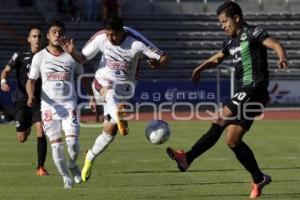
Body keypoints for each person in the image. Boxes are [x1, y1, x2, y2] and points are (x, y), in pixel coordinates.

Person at [166, 1, 288, 199]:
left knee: (221, 118)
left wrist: (281, 57)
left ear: (237, 18)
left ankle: (187, 157)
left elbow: (274, 44)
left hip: (254, 88)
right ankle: (258, 178)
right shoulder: (230, 42)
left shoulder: (253, 32)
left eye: (224, 21)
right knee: (232, 140)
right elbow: (217, 58)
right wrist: (200, 68)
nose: (222, 26)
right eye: (220, 22)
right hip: (246, 91)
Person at [60, 16, 169, 182]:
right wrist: (72, 52)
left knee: (109, 133)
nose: (111, 38)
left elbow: (164, 58)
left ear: (122, 32)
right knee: (109, 92)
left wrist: (158, 64)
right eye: (108, 34)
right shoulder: (101, 38)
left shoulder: (136, 43)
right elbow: (82, 58)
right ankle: (119, 116)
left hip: (124, 91)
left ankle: (90, 156)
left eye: (114, 35)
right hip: (102, 83)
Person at [26, 20, 96, 189]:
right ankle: (66, 177)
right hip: (49, 108)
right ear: (48, 36)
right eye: (54, 32)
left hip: (69, 105)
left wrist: (92, 96)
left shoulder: (72, 56)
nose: (57, 35)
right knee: (56, 147)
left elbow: (82, 77)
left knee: (72, 145)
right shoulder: (40, 57)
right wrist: (30, 95)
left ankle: (72, 164)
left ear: (64, 35)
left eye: (60, 32)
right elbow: (31, 81)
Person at [0, 25, 49, 176]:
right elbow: (6, 71)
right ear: (29, 39)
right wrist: (3, 81)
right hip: (22, 99)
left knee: (40, 129)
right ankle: (26, 126)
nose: (37, 39)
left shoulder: (47, 55)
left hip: (40, 99)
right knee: (21, 137)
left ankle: (40, 167)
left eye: (39, 36)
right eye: (34, 36)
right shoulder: (20, 54)